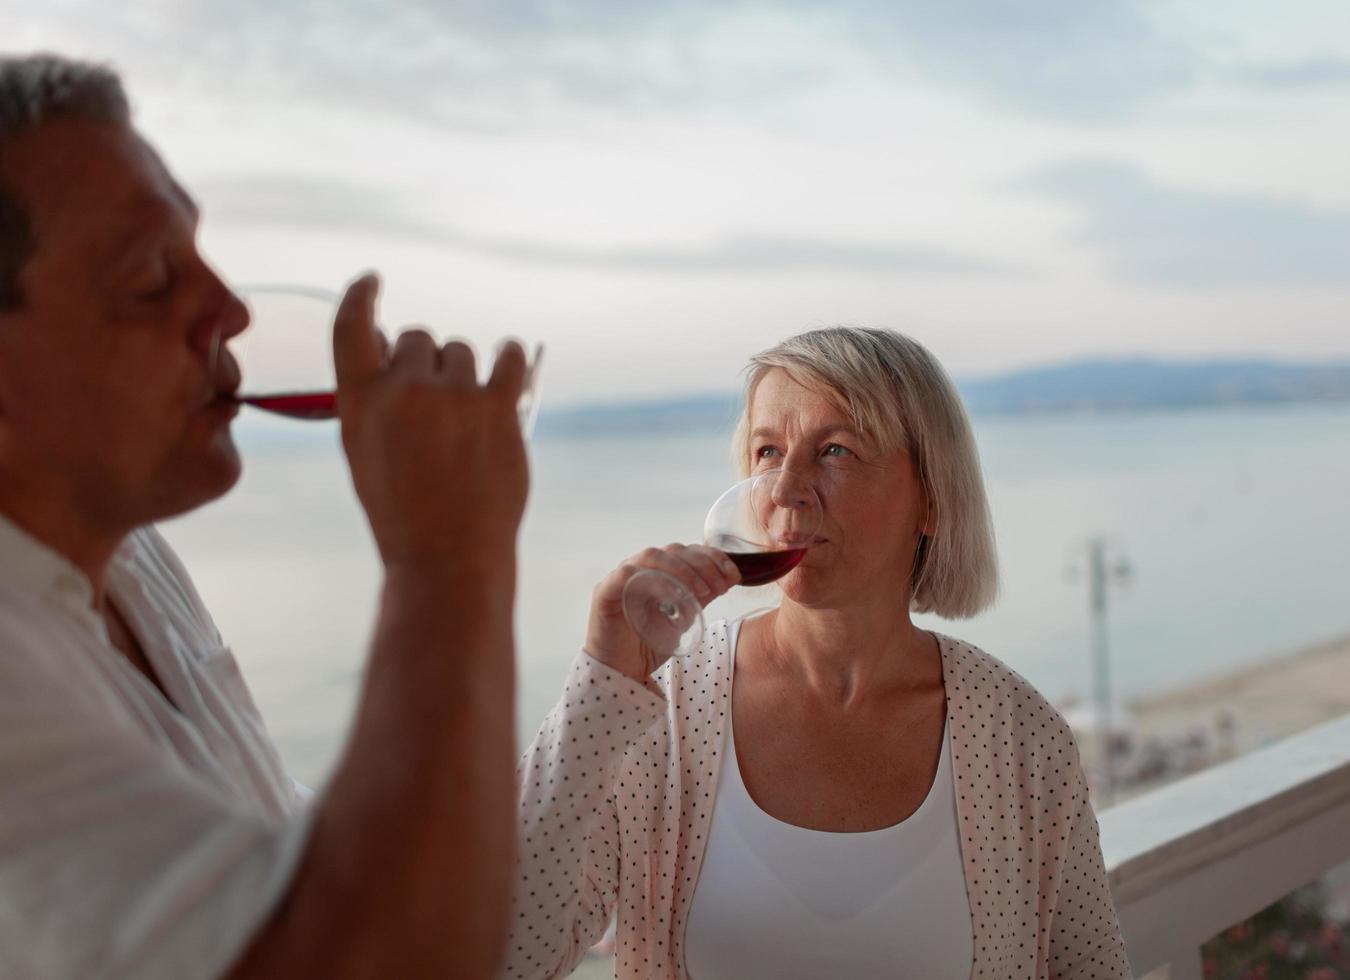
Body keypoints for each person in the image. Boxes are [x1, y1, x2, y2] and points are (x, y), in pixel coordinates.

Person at [0, 54, 529, 978]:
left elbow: (279, 853)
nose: (231, 309)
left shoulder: (132, 559)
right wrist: (447, 559)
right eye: (152, 279)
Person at [506, 327, 1131, 978]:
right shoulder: (657, 717)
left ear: (932, 500)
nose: (784, 490)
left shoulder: (1020, 740)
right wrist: (602, 684)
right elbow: (502, 957)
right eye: (768, 451)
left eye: (834, 450)